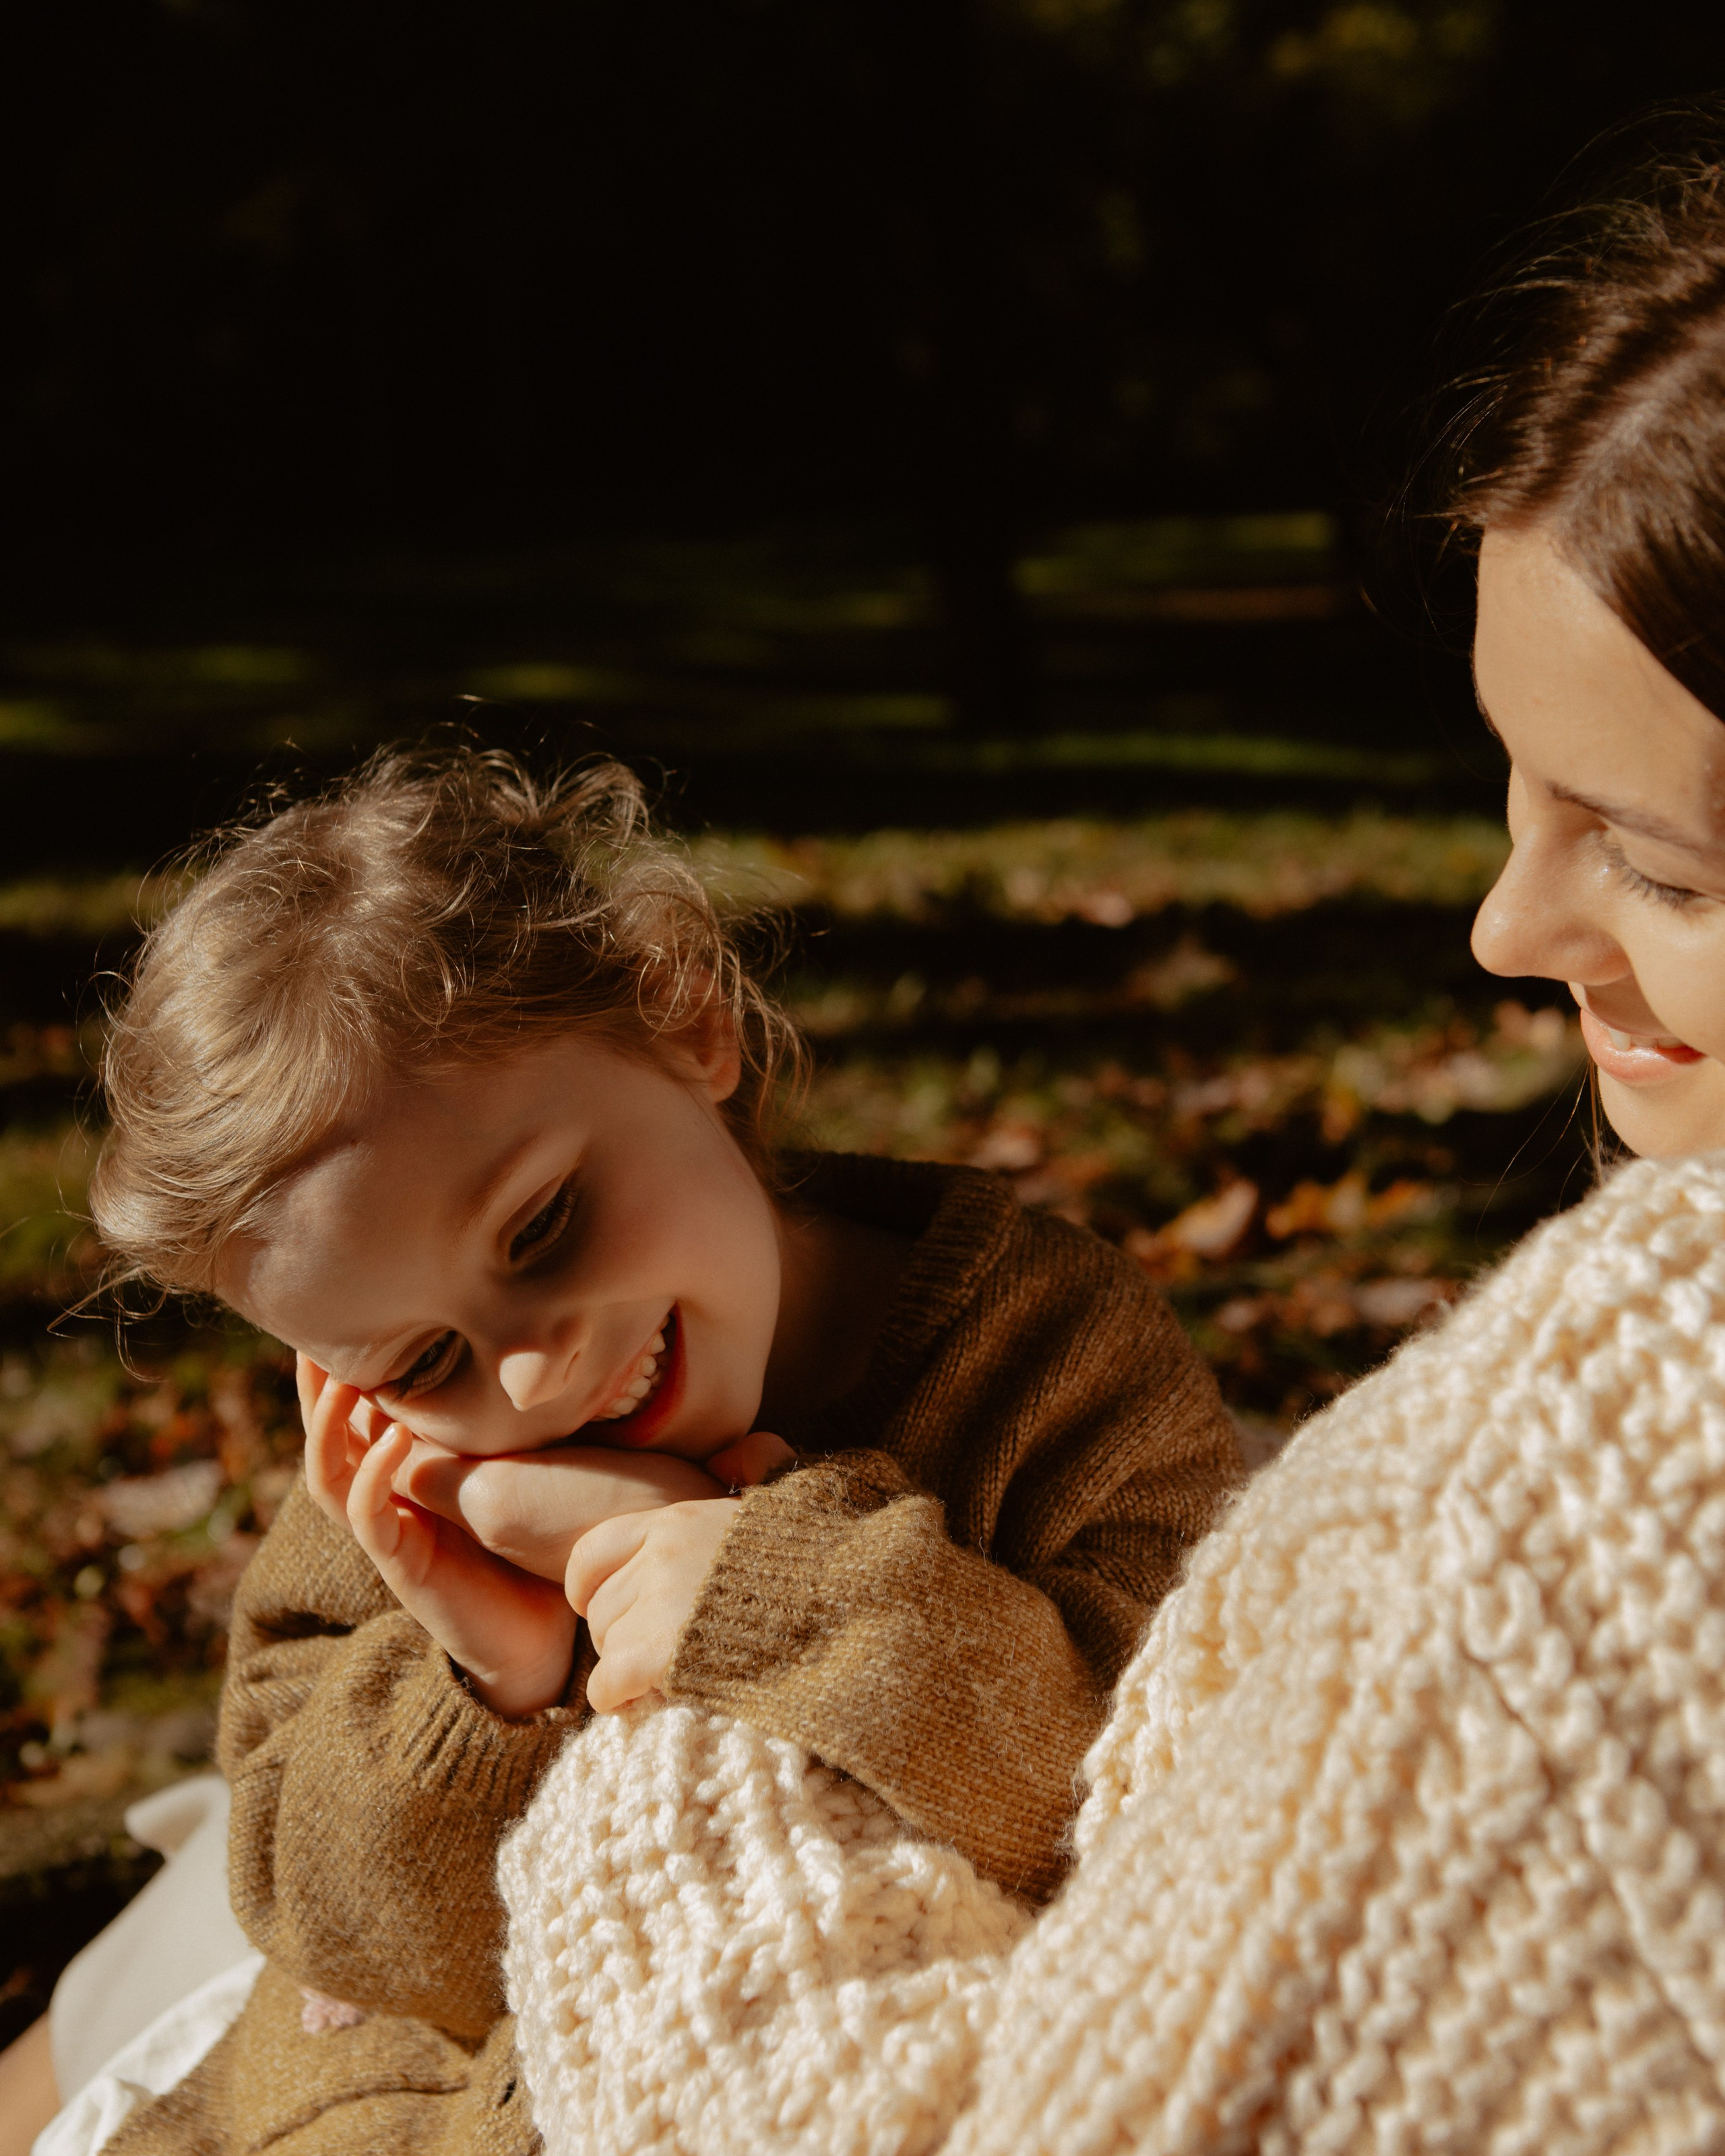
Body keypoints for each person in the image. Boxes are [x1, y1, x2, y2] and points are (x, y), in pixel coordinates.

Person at [469, 136, 1725, 2154]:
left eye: (1656, 862)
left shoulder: (1588, 1515)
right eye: (1512, 788)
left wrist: (673, 1703)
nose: (1507, 929)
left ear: (699, 1036)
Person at [5, 746, 1241, 2155]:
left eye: (540, 1226)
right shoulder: (398, 1494)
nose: (530, 1374)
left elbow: (1145, 1786)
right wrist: (477, 1682)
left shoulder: (1041, 1356)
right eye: (419, 1360)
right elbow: (332, 1929)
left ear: (683, 1018)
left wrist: (773, 1591)